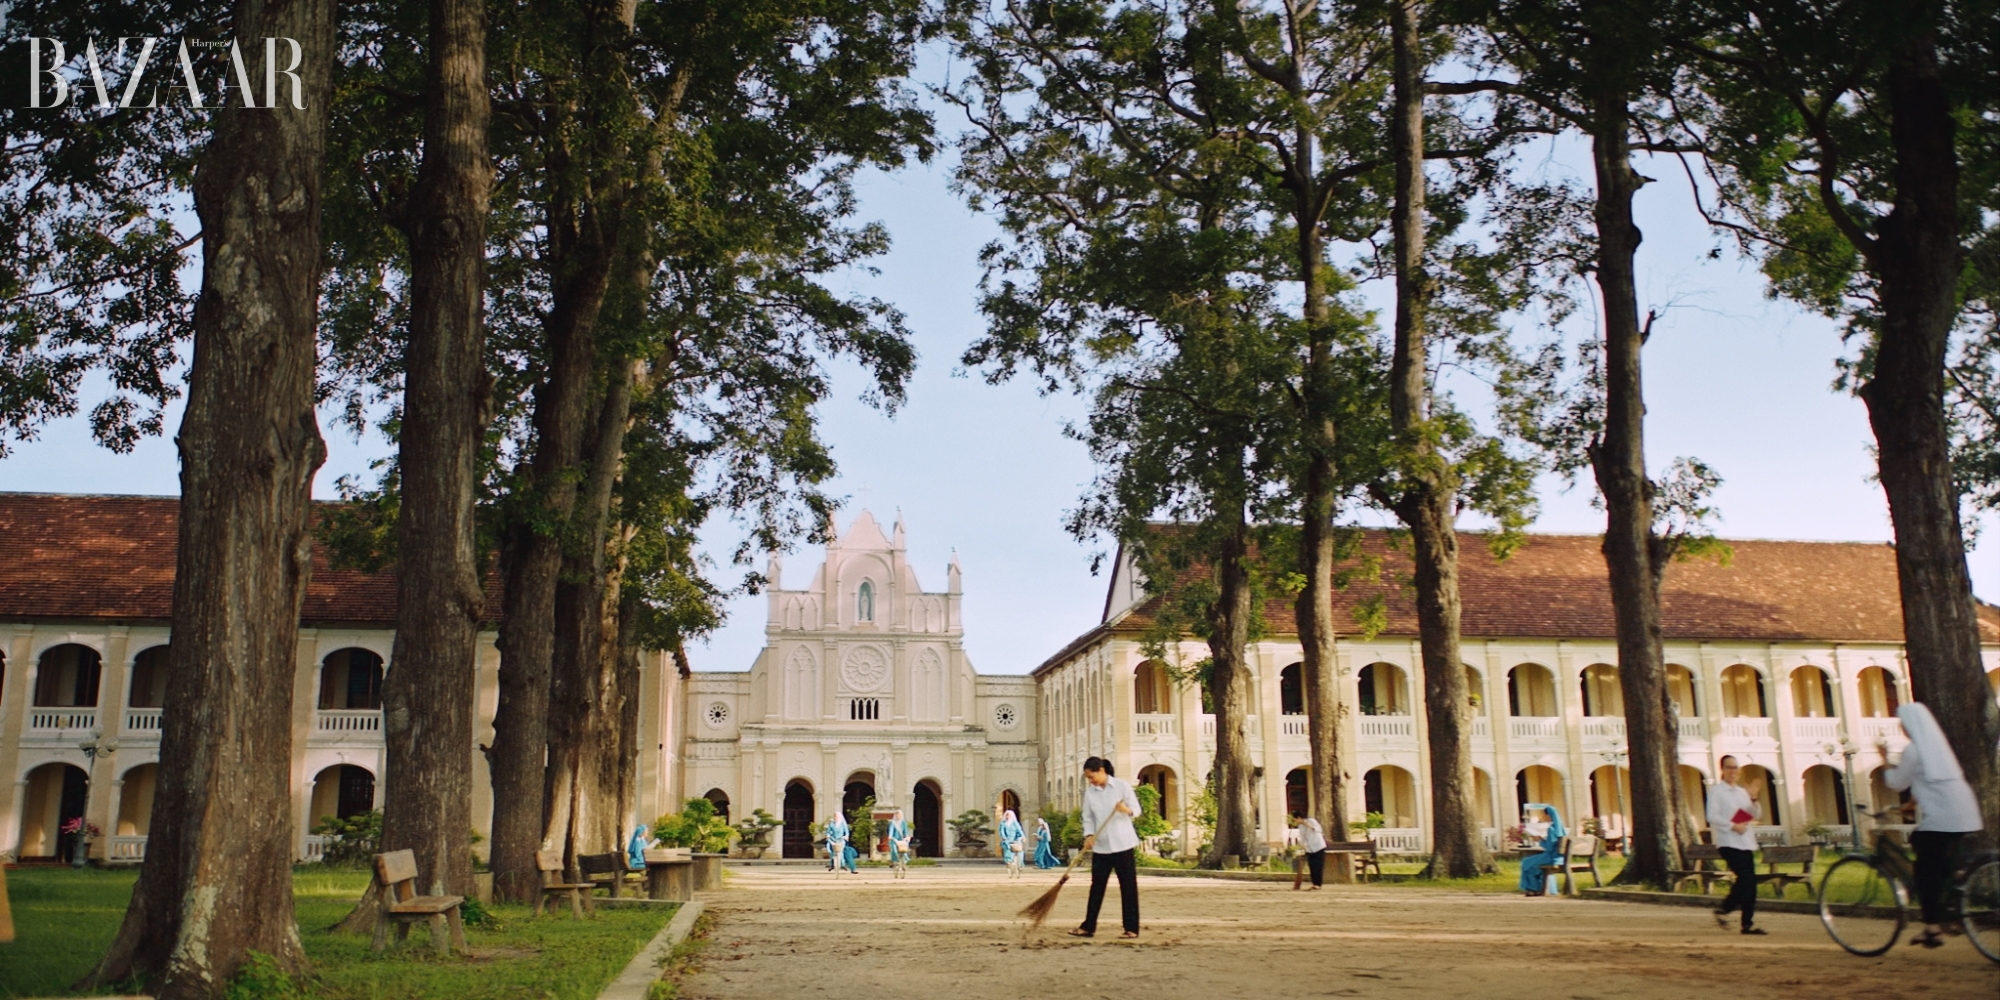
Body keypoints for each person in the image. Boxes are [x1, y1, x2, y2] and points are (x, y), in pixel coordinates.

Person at [1879, 702, 1984, 948]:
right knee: (1937, 858)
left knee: (1924, 869)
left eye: (1903, 723)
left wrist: (1883, 759)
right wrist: (1912, 804)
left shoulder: (1913, 750)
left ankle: (1933, 928)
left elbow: (1896, 783)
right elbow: (1930, 779)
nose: (1902, 728)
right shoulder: (1938, 748)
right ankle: (1953, 890)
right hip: (1965, 813)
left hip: (1943, 818)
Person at [1070, 756, 1141, 939]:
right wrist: (1089, 835)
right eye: (1088, 778)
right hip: (1101, 846)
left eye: (1091, 776)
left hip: (1123, 843)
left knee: (1128, 887)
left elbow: (1136, 809)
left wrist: (1125, 809)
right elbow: (1088, 817)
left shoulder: (1122, 786)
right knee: (1097, 887)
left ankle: (1131, 928)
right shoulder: (1090, 793)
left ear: (1101, 770)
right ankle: (1088, 926)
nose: (1090, 781)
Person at [1707, 755, 1764, 934]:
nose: (1733, 771)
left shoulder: (1741, 792)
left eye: (1735, 767)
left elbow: (1753, 814)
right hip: (1728, 842)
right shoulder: (1717, 792)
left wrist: (1753, 799)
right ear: (1722, 770)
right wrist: (1733, 826)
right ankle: (1725, 909)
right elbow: (1712, 816)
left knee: (1750, 883)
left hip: (1746, 841)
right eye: (1729, 767)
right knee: (1746, 879)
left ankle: (1747, 924)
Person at [1516, 803, 1565, 896]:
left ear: (1548, 815)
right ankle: (1536, 888)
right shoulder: (1560, 828)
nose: (1542, 816)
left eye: (1543, 814)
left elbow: (1549, 848)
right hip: (1560, 857)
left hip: (1551, 857)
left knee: (1526, 862)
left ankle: (1532, 888)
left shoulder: (1551, 829)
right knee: (1532, 866)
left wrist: (1539, 840)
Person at [1296, 816, 1329, 890]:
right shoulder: (1300, 826)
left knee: (1318, 865)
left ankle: (1318, 884)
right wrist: (1302, 844)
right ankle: (1314, 883)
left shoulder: (1311, 821)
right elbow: (1302, 836)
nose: (1296, 821)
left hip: (1318, 846)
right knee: (1312, 865)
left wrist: (1308, 825)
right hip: (1309, 848)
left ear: (1299, 818)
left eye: (1296, 819)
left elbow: (1319, 830)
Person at [998, 808, 1027, 878]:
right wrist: (1004, 837)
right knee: (1007, 853)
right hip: (1007, 840)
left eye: (1009, 815)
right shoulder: (1003, 823)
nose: (1008, 816)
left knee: (1019, 853)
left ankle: (1019, 866)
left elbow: (1019, 831)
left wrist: (1022, 837)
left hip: (1015, 840)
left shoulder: (1015, 823)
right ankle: (1009, 865)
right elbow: (1001, 831)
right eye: (1007, 815)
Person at [886, 809, 913, 878]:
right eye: (897, 814)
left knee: (904, 849)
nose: (898, 816)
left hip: (901, 839)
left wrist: (907, 837)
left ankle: (905, 862)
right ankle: (895, 861)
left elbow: (906, 831)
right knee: (894, 850)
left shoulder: (903, 822)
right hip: (894, 839)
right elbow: (891, 831)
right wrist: (890, 836)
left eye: (899, 815)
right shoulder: (892, 823)